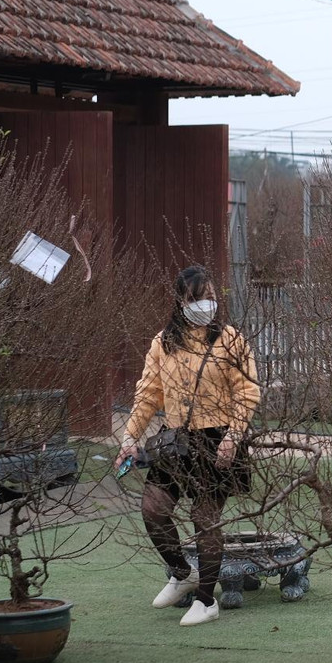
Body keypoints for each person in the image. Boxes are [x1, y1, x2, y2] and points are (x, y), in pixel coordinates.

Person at [116, 265, 261, 627]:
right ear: (181, 301)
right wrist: (129, 438)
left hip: (219, 438)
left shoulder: (231, 339)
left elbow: (248, 391)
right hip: (177, 440)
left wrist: (233, 436)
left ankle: (207, 599)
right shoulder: (163, 343)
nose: (205, 304)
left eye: (210, 296)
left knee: (204, 517)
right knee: (153, 508)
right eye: (197, 298)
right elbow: (148, 394)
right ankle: (182, 572)